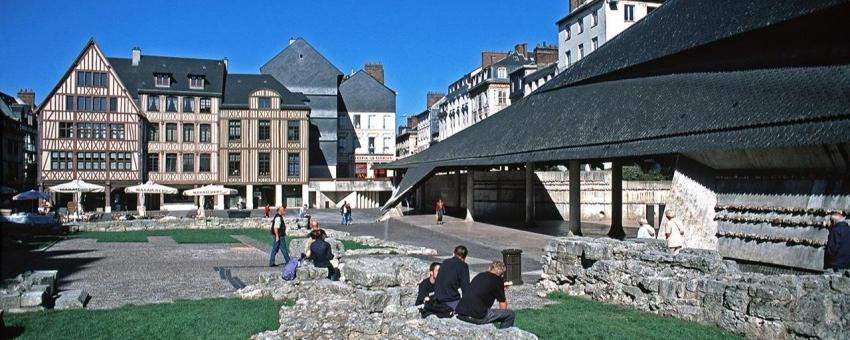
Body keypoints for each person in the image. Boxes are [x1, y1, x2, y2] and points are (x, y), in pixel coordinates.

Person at [455, 261, 515, 329]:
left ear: (489, 268)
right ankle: (503, 335)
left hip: (461, 312)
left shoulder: (480, 275)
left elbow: (482, 289)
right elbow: (503, 306)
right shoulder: (498, 281)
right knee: (510, 314)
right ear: (502, 274)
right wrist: (501, 289)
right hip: (476, 316)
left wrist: (501, 288)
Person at [433, 245, 470, 310]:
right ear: (465, 257)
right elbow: (465, 288)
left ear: (453, 253)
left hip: (437, 298)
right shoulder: (463, 266)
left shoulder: (445, 262)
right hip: (450, 300)